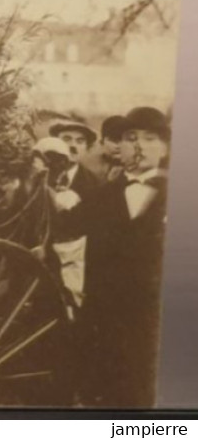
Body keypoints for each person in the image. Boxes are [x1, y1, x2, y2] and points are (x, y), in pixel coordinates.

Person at [73, 106, 169, 408]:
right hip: (104, 321)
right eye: (130, 138)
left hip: (154, 325)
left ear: (165, 146)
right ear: (119, 147)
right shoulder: (101, 196)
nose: (139, 146)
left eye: (150, 138)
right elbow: (62, 230)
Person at [43, 116, 104, 310]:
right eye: (67, 139)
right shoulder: (41, 177)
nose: (73, 146)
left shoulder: (94, 184)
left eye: (80, 141)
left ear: (87, 148)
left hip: (75, 260)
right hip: (39, 256)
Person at [97, 115, 129, 183]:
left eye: (124, 141)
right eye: (114, 140)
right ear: (102, 142)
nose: (119, 146)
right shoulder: (91, 170)